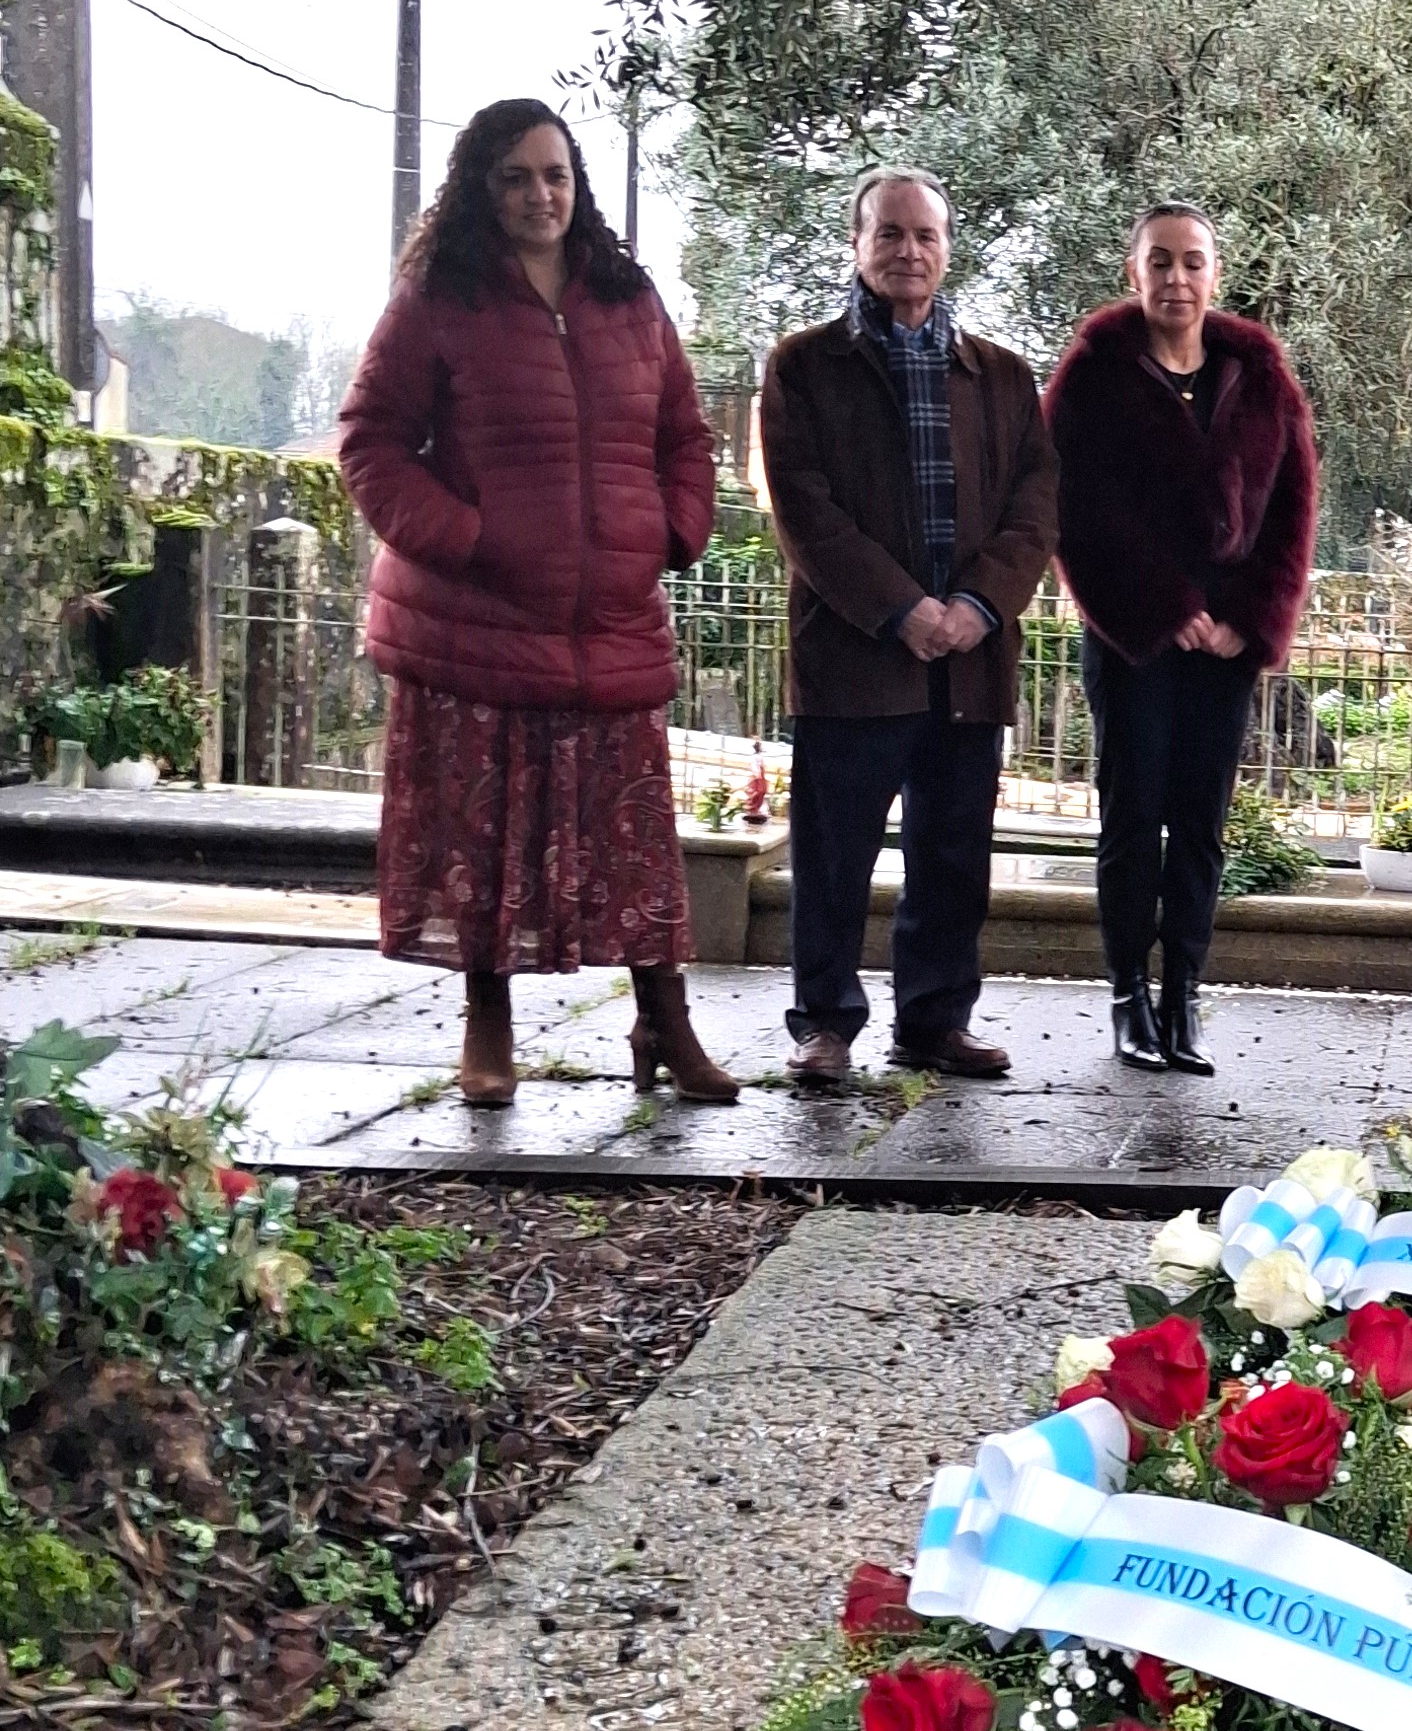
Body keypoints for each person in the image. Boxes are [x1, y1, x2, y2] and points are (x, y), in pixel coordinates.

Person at [339, 97, 736, 1110]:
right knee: (486, 837)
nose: (538, 194)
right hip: (479, 626)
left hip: (610, 621)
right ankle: (490, 1024)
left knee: (637, 841)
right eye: (515, 177)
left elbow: (685, 437)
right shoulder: (441, 297)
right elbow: (371, 444)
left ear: (578, 183)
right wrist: (472, 540)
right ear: (483, 187)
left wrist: (673, 530)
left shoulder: (628, 297)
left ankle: (664, 1020)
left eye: (554, 174)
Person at [756, 169, 1062, 1088]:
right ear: (857, 246)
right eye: (889, 235)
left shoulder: (1002, 375)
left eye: (924, 236)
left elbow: (1035, 504)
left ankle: (934, 1022)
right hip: (855, 656)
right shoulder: (805, 367)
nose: (907, 252)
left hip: (967, 663)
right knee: (835, 856)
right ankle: (825, 1026)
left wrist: (973, 607)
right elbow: (803, 509)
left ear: (948, 248)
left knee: (953, 857)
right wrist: (902, 608)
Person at [1046, 203, 1318, 1073]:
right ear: (1134, 272)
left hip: (1228, 644)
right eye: (1159, 262)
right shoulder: (1092, 377)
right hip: (1136, 638)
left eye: (1192, 262)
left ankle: (1183, 998)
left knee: (1200, 824)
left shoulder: (1261, 376)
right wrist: (1164, 610)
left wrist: (1252, 619)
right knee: (1133, 818)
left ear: (1215, 276)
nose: (1176, 279)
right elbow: (1072, 514)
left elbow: (1292, 510)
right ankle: (1129, 995)